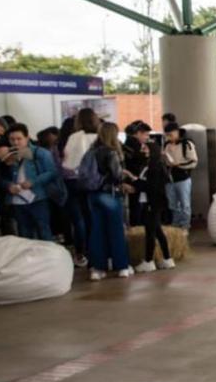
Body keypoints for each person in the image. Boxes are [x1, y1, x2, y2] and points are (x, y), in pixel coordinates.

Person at [87, 122, 131, 281]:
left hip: (93, 194)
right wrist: (125, 174)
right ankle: (122, 266)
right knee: (116, 231)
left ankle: (98, 269)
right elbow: (117, 175)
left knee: (97, 232)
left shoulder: (91, 150)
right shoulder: (111, 152)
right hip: (110, 194)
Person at [3, 123, 57, 241]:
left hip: (38, 198)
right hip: (17, 201)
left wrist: (33, 181)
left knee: (44, 232)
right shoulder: (6, 155)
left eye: (19, 139)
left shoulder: (41, 153)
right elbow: (1, 178)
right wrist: (8, 185)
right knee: (24, 234)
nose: (15, 142)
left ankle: (47, 258)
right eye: (12, 139)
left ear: (27, 138)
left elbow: (52, 173)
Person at [62, 109, 100, 267]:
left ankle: (81, 254)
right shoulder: (99, 137)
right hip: (95, 183)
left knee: (78, 220)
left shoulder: (74, 137)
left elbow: (67, 162)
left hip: (74, 182)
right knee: (94, 218)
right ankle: (97, 253)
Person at [133, 141, 175, 273]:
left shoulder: (155, 167)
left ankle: (148, 260)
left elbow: (151, 187)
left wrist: (135, 183)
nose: (143, 150)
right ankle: (167, 259)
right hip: (152, 202)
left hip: (152, 203)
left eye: (145, 148)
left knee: (150, 232)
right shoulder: (151, 165)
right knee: (157, 231)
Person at [162, 122, 197, 230]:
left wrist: (179, 165)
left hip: (183, 178)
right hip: (169, 178)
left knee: (184, 203)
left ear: (177, 132)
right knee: (172, 204)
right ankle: (175, 225)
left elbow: (193, 162)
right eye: (167, 135)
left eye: (170, 135)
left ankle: (185, 226)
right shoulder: (166, 145)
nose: (168, 137)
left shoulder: (187, 144)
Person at [123, 121, 152, 227]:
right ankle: (138, 229)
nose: (147, 137)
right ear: (138, 133)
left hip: (133, 178)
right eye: (146, 134)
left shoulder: (128, 143)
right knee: (137, 207)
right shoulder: (134, 144)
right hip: (135, 180)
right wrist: (147, 155)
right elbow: (138, 160)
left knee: (136, 206)